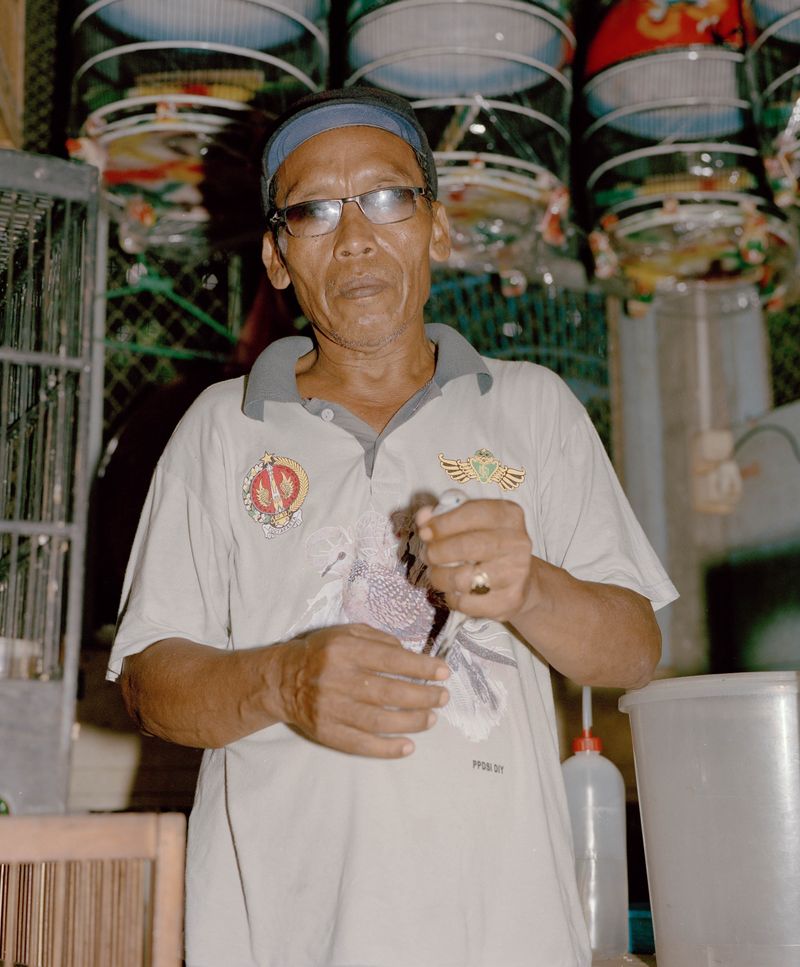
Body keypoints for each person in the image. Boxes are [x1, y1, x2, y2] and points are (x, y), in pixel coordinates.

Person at [109, 86, 678, 967]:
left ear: (436, 227)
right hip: (284, 939)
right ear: (276, 257)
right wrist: (283, 680)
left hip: (507, 937)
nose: (354, 236)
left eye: (386, 197)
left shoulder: (534, 406)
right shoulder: (220, 429)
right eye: (314, 210)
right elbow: (149, 681)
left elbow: (636, 649)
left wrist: (532, 587)